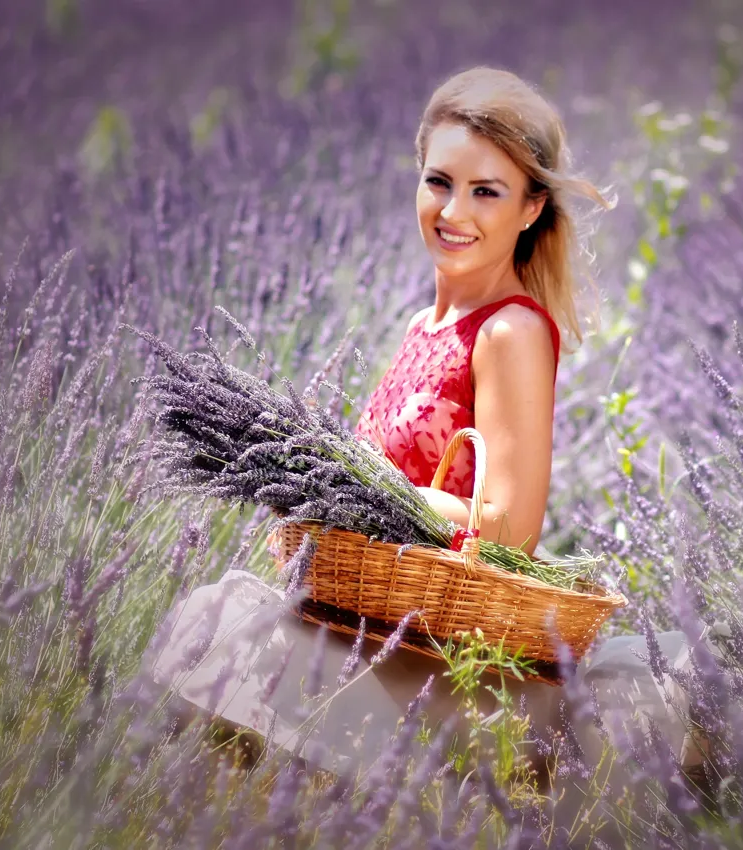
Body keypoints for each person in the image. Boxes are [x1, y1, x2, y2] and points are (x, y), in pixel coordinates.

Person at [141, 67, 710, 843]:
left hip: (444, 660)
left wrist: (367, 488)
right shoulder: (422, 327)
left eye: (486, 192)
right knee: (224, 648)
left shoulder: (512, 332)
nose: (453, 211)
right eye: (439, 182)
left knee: (243, 646)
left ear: (531, 208)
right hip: (379, 622)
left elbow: (510, 528)